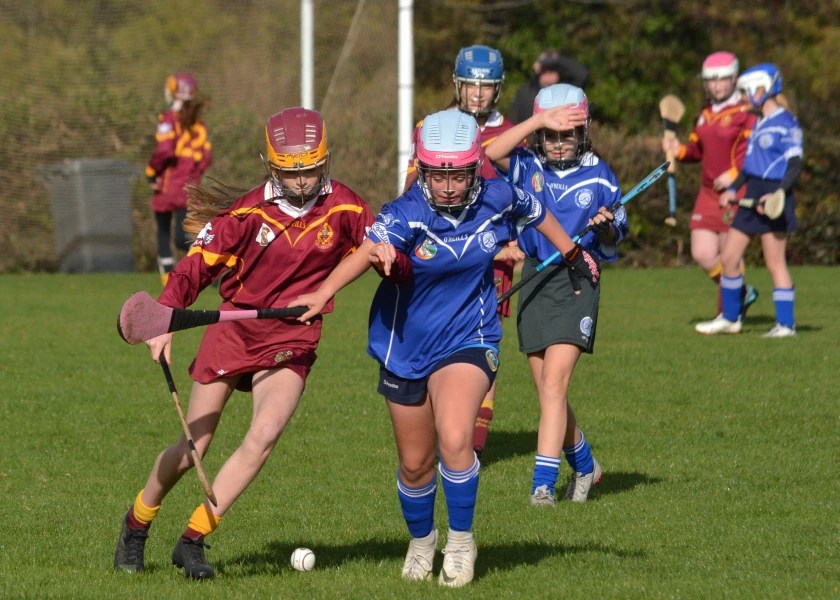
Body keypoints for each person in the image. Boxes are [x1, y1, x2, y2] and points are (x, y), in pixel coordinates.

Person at [291, 109, 598, 587]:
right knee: (416, 464)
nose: (449, 186)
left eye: (457, 175)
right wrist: (323, 292)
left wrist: (573, 253)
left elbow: (536, 211)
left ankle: (460, 541)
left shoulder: (496, 196)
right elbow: (367, 251)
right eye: (438, 175)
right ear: (423, 170)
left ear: (474, 169)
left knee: (455, 439)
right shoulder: (405, 212)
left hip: (470, 336)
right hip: (405, 346)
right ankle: (422, 540)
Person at [113, 107, 375, 579]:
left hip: (293, 334)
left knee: (266, 432)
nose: (302, 182)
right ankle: (136, 524)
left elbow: (379, 245)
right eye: (291, 173)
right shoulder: (245, 214)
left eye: (311, 170)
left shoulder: (346, 208)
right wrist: (165, 318)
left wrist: (401, 261)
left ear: (325, 160)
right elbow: (195, 266)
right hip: (234, 330)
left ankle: (193, 540)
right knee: (193, 448)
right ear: (270, 164)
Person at [485, 83, 627, 506]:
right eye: (551, 134)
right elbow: (491, 152)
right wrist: (537, 120)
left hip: (578, 280)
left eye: (568, 134)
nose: (559, 143)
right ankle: (586, 466)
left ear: (583, 133)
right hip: (535, 277)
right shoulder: (527, 164)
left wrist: (606, 226)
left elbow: (617, 232)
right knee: (550, 394)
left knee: (553, 384)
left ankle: (542, 486)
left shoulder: (600, 174)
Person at [403, 44, 526, 460]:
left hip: (493, 258)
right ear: (457, 85)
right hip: (441, 255)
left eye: (485, 86)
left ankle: (473, 443)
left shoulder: (512, 132)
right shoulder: (432, 127)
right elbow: (412, 189)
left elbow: (523, 198)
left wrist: (512, 243)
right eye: (470, 85)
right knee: (438, 335)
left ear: (498, 89)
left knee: (482, 342)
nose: (477, 93)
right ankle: (442, 426)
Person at [695, 64, 802, 337]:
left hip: (774, 196)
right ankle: (731, 319)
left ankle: (786, 325)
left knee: (774, 262)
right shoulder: (759, 121)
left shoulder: (787, 122)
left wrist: (779, 193)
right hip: (752, 193)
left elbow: (794, 164)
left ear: (762, 89)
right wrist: (733, 189)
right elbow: (748, 167)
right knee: (729, 258)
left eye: (746, 91)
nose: (743, 97)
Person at [661, 51, 759, 320]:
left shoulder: (747, 113)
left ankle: (728, 315)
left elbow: (755, 152)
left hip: (736, 190)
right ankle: (741, 294)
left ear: (735, 79)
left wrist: (734, 174)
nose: (716, 86)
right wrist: (678, 150)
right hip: (708, 193)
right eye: (711, 80)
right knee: (702, 253)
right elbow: (696, 151)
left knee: (730, 256)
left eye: (722, 79)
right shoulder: (704, 114)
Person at [146, 72, 213, 286]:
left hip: (168, 186)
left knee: (165, 233)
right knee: (182, 235)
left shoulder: (168, 119)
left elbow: (164, 151)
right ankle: (208, 261)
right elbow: (206, 157)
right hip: (189, 187)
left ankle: (168, 279)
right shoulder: (199, 125)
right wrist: (194, 176)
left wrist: (151, 172)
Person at [509, 49, 590, 124]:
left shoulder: (567, 91)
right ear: (539, 70)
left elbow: (583, 75)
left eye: (553, 68)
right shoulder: (526, 92)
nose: (549, 72)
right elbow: (513, 121)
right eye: (545, 69)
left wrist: (558, 59)